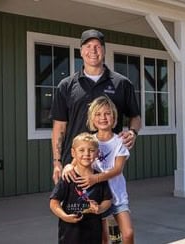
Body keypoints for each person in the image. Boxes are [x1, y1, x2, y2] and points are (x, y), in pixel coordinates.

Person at [51, 28, 141, 185]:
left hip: (107, 165)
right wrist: (57, 162)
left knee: (107, 207)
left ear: (104, 51)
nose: (92, 50)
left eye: (98, 46)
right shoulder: (66, 86)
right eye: (88, 46)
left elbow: (135, 117)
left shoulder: (122, 84)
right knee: (74, 208)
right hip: (73, 165)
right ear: (81, 51)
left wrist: (133, 132)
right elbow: (59, 127)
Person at [63, 96, 134, 244]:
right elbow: (75, 161)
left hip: (117, 195)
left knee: (127, 234)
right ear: (92, 118)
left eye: (107, 113)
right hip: (97, 197)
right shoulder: (89, 140)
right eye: (98, 114)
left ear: (113, 117)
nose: (103, 117)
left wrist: (95, 178)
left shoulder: (119, 141)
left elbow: (117, 169)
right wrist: (68, 166)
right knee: (103, 238)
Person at [50, 132, 112, 244]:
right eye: (81, 150)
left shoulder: (99, 178)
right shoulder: (67, 177)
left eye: (91, 150)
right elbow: (54, 203)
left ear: (97, 153)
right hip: (70, 235)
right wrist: (64, 216)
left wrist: (100, 208)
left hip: (93, 235)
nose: (87, 154)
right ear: (73, 152)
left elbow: (107, 200)